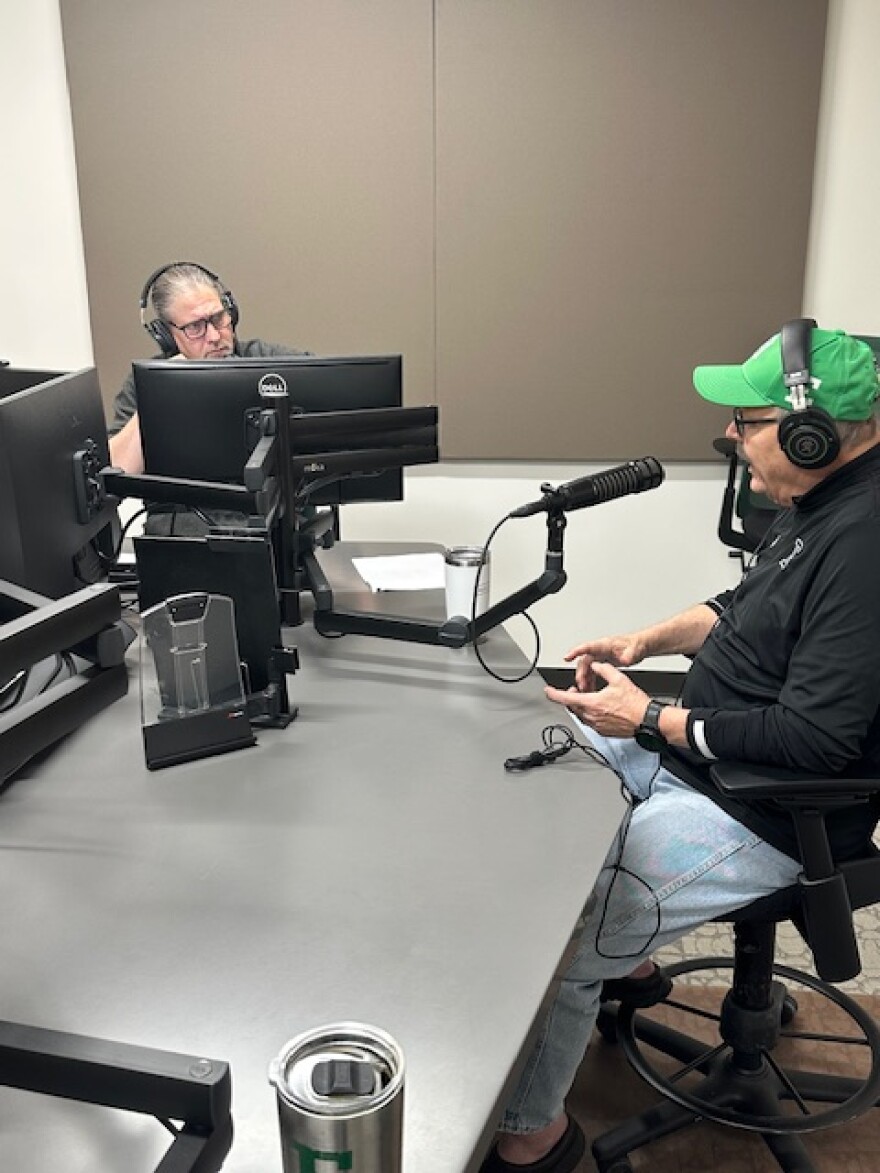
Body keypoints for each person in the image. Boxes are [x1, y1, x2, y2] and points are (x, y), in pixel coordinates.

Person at [480, 322, 880, 1172]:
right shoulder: (815, 503)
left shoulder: (866, 545)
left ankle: (533, 1132)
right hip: (696, 759)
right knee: (537, 804)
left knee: (564, 939)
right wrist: (643, 642)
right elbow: (739, 608)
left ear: (811, 435)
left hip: (771, 811)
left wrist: (651, 719)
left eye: (748, 420)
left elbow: (815, 739)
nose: (729, 433)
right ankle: (627, 964)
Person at [107, 261, 309, 533]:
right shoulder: (145, 383)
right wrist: (164, 389)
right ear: (167, 336)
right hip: (183, 539)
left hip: (276, 529)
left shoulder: (271, 362)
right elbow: (116, 473)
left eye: (218, 318)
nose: (214, 336)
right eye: (195, 327)